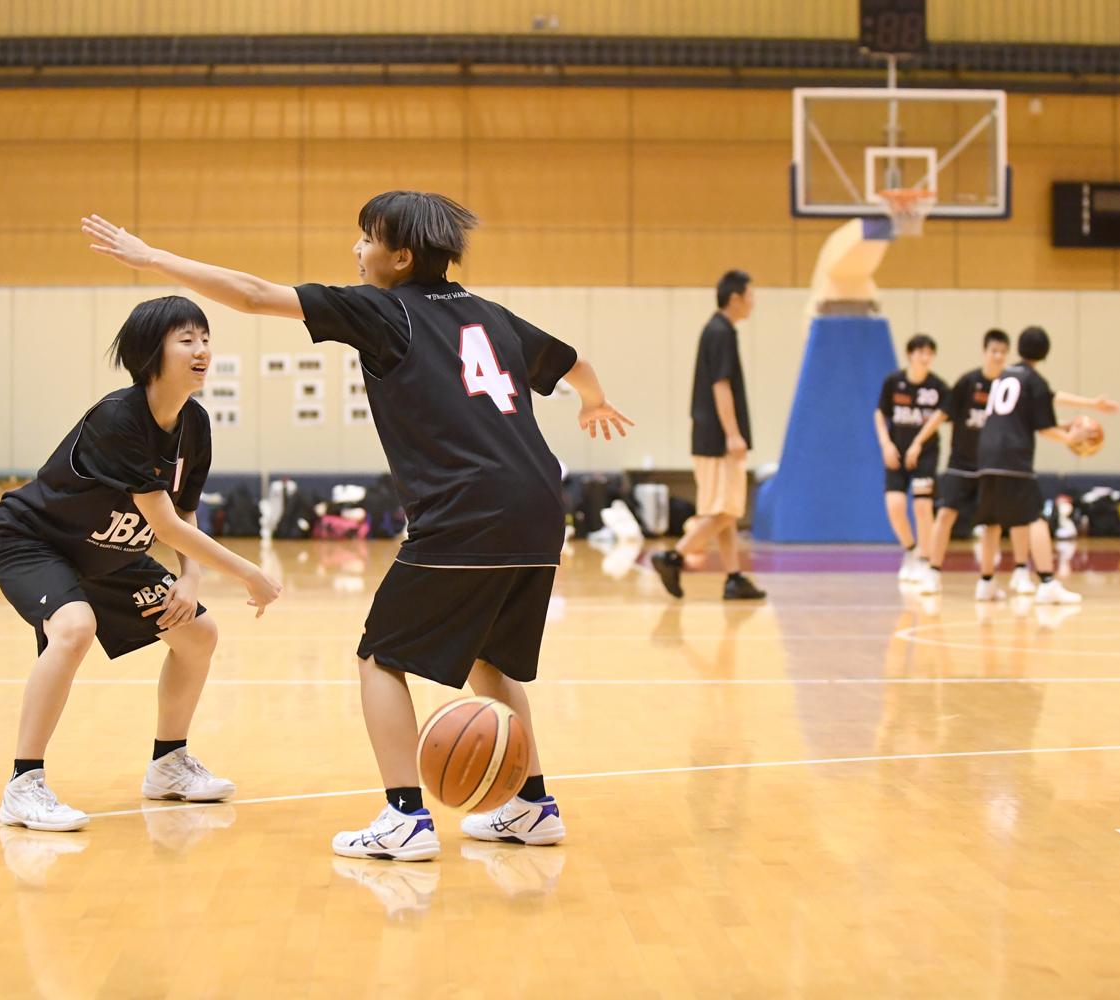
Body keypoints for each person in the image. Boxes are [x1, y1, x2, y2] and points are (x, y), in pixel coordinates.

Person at [82, 190, 631, 860]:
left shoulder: (384, 310)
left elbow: (253, 295)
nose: (357, 249)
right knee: (490, 657)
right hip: (540, 506)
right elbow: (574, 364)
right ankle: (531, 807)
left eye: (367, 238)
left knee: (380, 658)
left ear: (401, 258)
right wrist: (594, 403)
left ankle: (405, 818)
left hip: (467, 508)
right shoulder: (491, 316)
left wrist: (152, 258)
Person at [0, 295, 283, 832]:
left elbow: (184, 508)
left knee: (198, 633)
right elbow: (165, 525)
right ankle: (23, 785)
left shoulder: (194, 423)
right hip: (35, 540)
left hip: (111, 553)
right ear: (151, 353)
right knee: (74, 627)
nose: (202, 350)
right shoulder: (119, 418)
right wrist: (249, 573)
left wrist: (191, 578)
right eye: (186, 340)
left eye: (206, 338)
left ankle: (168, 764)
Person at [971, 327, 1117, 604]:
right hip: (1013, 457)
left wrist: (1087, 407)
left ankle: (986, 583)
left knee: (991, 521)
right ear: (1045, 353)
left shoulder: (1003, 377)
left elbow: (1038, 406)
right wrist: (1069, 437)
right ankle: (1048, 583)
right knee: (1035, 518)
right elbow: (1044, 427)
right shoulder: (1033, 380)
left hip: (987, 455)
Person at [651, 269, 765, 601]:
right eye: (750, 295)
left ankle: (734, 577)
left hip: (708, 436)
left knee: (724, 513)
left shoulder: (717, 330)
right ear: (735, 298)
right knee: (725, 512)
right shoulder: (721, 332)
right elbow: (721, 384)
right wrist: (733, 434)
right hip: (717, 440)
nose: (753, 302)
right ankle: (673, 557)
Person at [909, 328, 1010, 595]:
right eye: (994, 351)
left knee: (992, 524)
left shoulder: (1009, 387)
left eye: (1003, 352)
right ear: (985, 352)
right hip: (961, 463)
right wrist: (919, 440)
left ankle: (987, 581)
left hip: (992, 466)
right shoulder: (968, 382)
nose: (998, 356)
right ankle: (933, 573)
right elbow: (941, 415)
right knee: (945, 515)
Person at [875, 334, 949, 585]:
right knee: (894, 505)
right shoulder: (893, 382)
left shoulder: (938, 387)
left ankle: (925, 559)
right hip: (896, 453)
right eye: (921, 352)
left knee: (922, 506)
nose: (925, 358)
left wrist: (918, 443)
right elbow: (880, 413)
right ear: (910, 354)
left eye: (930, 353)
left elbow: (942, 417)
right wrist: (886, 444)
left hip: (924, 455)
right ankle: (910, 549)